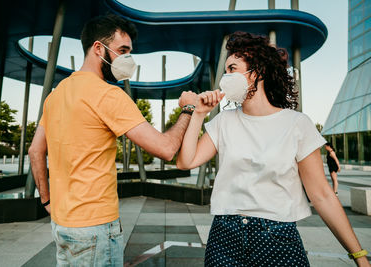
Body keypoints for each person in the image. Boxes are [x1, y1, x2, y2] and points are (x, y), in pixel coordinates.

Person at [177, 31, 370, 266]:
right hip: (224, 237)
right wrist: (198, 115)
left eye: (232, 68)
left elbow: (321, 195)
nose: (225, 77)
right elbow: (185, 162)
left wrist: (359, 256)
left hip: (277, 239)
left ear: (258, 71)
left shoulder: (297, 124)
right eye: (225, 70)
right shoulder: (223, 121)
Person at [28, 15, 200, 266]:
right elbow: (166, 148)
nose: (128, 60)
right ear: (98, 48)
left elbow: (35, 151)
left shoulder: (57, 94)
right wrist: (187, 109)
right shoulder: (108, 95)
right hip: (95, 228)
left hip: (62, 224)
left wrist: (46, 201)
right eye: (123, 50)